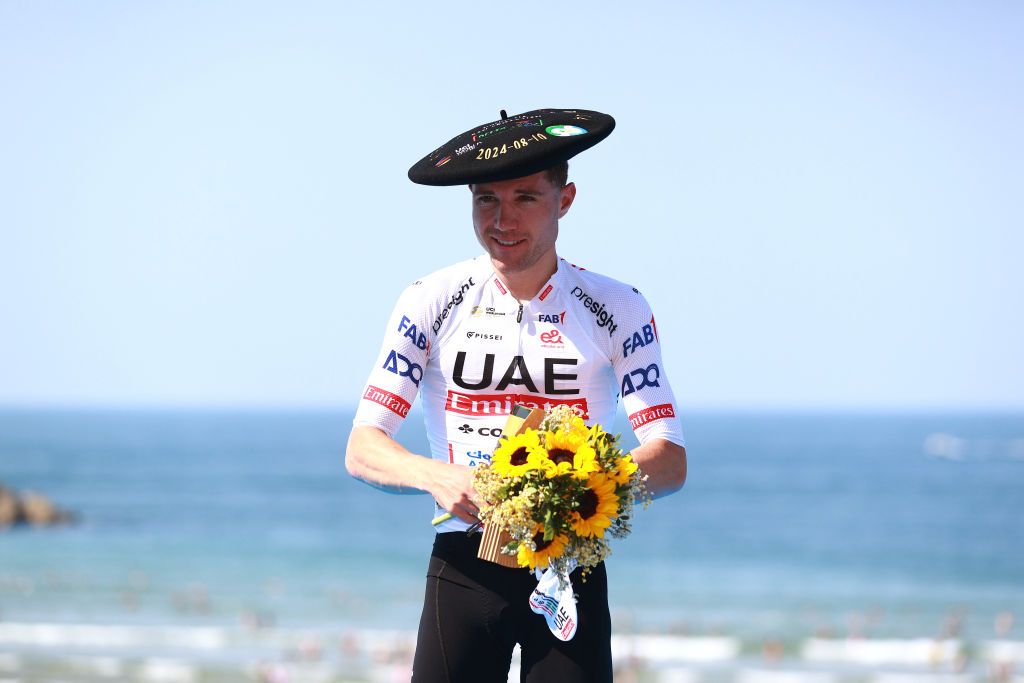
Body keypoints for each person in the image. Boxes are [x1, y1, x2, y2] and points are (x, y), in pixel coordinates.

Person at [346, 108, 687, 682]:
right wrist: (436, 476)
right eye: (486, 200)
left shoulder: (618, 308)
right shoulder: (430, 298)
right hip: (464, 566)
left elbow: (670, 459)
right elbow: (362, 447)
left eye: (526, 198)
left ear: (566, 199)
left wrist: (586, 489)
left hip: (570, 565)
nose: (503, 220)